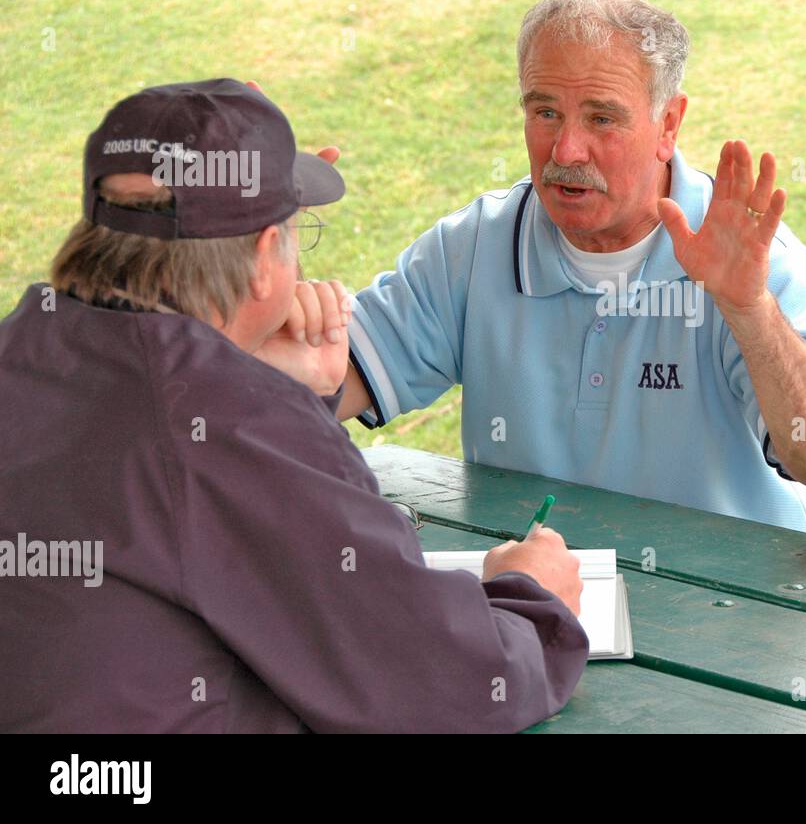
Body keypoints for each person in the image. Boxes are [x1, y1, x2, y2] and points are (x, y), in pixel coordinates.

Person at [0, 79, 587, 732]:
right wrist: (531, 601)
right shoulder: (227, 416)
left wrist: (270, 385)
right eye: (292, 231)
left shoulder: (26, 346)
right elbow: (444, 684)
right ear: (260, 259)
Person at [324, 0, 806, 531]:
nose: (565, 149)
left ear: (669, 125)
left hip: (728, 604)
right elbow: (319, 386)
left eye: (601, 118)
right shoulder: (476, 246)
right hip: (534, 599)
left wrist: (750, 312)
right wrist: (255, 245)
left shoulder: (746, 257)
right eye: (545, 113)